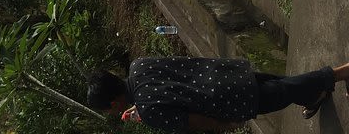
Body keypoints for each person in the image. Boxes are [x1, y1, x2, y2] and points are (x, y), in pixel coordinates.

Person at [87, 57, 349, 132]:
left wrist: (226, 126)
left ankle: (341, 73)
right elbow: (173, 78)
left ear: (113, 102)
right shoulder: (139, 65)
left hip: (231, 100)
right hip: (225, 73)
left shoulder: (150, 112)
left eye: (109, 109)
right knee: (282, 84)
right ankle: (315, 95)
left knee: (283, 91)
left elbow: (195, 121)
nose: (113, 112)